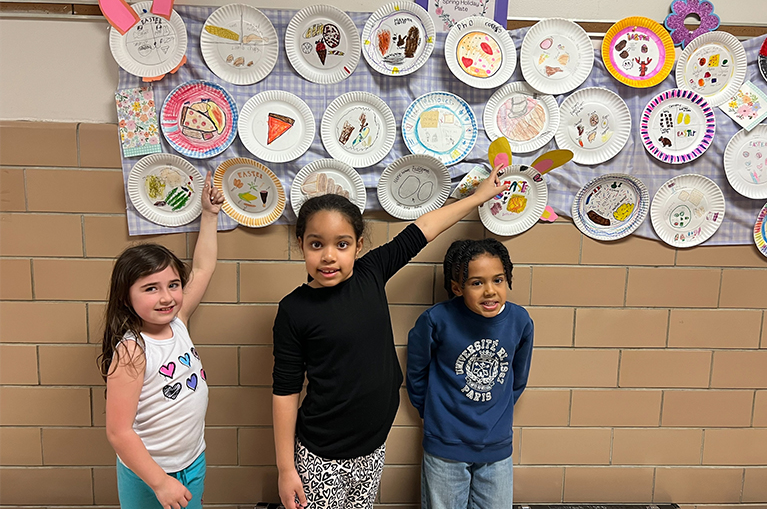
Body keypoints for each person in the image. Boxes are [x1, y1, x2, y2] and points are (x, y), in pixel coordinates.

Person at [272, 164, 507, 509]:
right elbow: (285, 392)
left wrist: (479, 197)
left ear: (359, 245)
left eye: (342, 244)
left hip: (372, 445)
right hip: (321, 454)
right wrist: (285, 468)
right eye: (316, 244)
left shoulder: (371, 272)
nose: (328, 256)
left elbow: (423, 228)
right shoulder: (294, 309)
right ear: (300, 244)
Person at [98, 174, 224, 509]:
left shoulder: (179, 322)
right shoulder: (132, 351)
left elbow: (203, 267)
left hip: (192, 461)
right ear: (126, 298)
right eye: (151, 288)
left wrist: (209, 216)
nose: (166, 297)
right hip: (148, 474)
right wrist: (159, 481)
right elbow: (119, 433)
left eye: (172, 285)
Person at [406, 238, 534, 509]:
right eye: (477, 283)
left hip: (496, 446)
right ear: (457, 288)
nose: (490, 291)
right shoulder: (436, 320)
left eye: (498, 280)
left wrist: (498, 414)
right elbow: (416, 373)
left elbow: (518, 378)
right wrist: (431, 412)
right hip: (445, 445)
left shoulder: (520, 321)